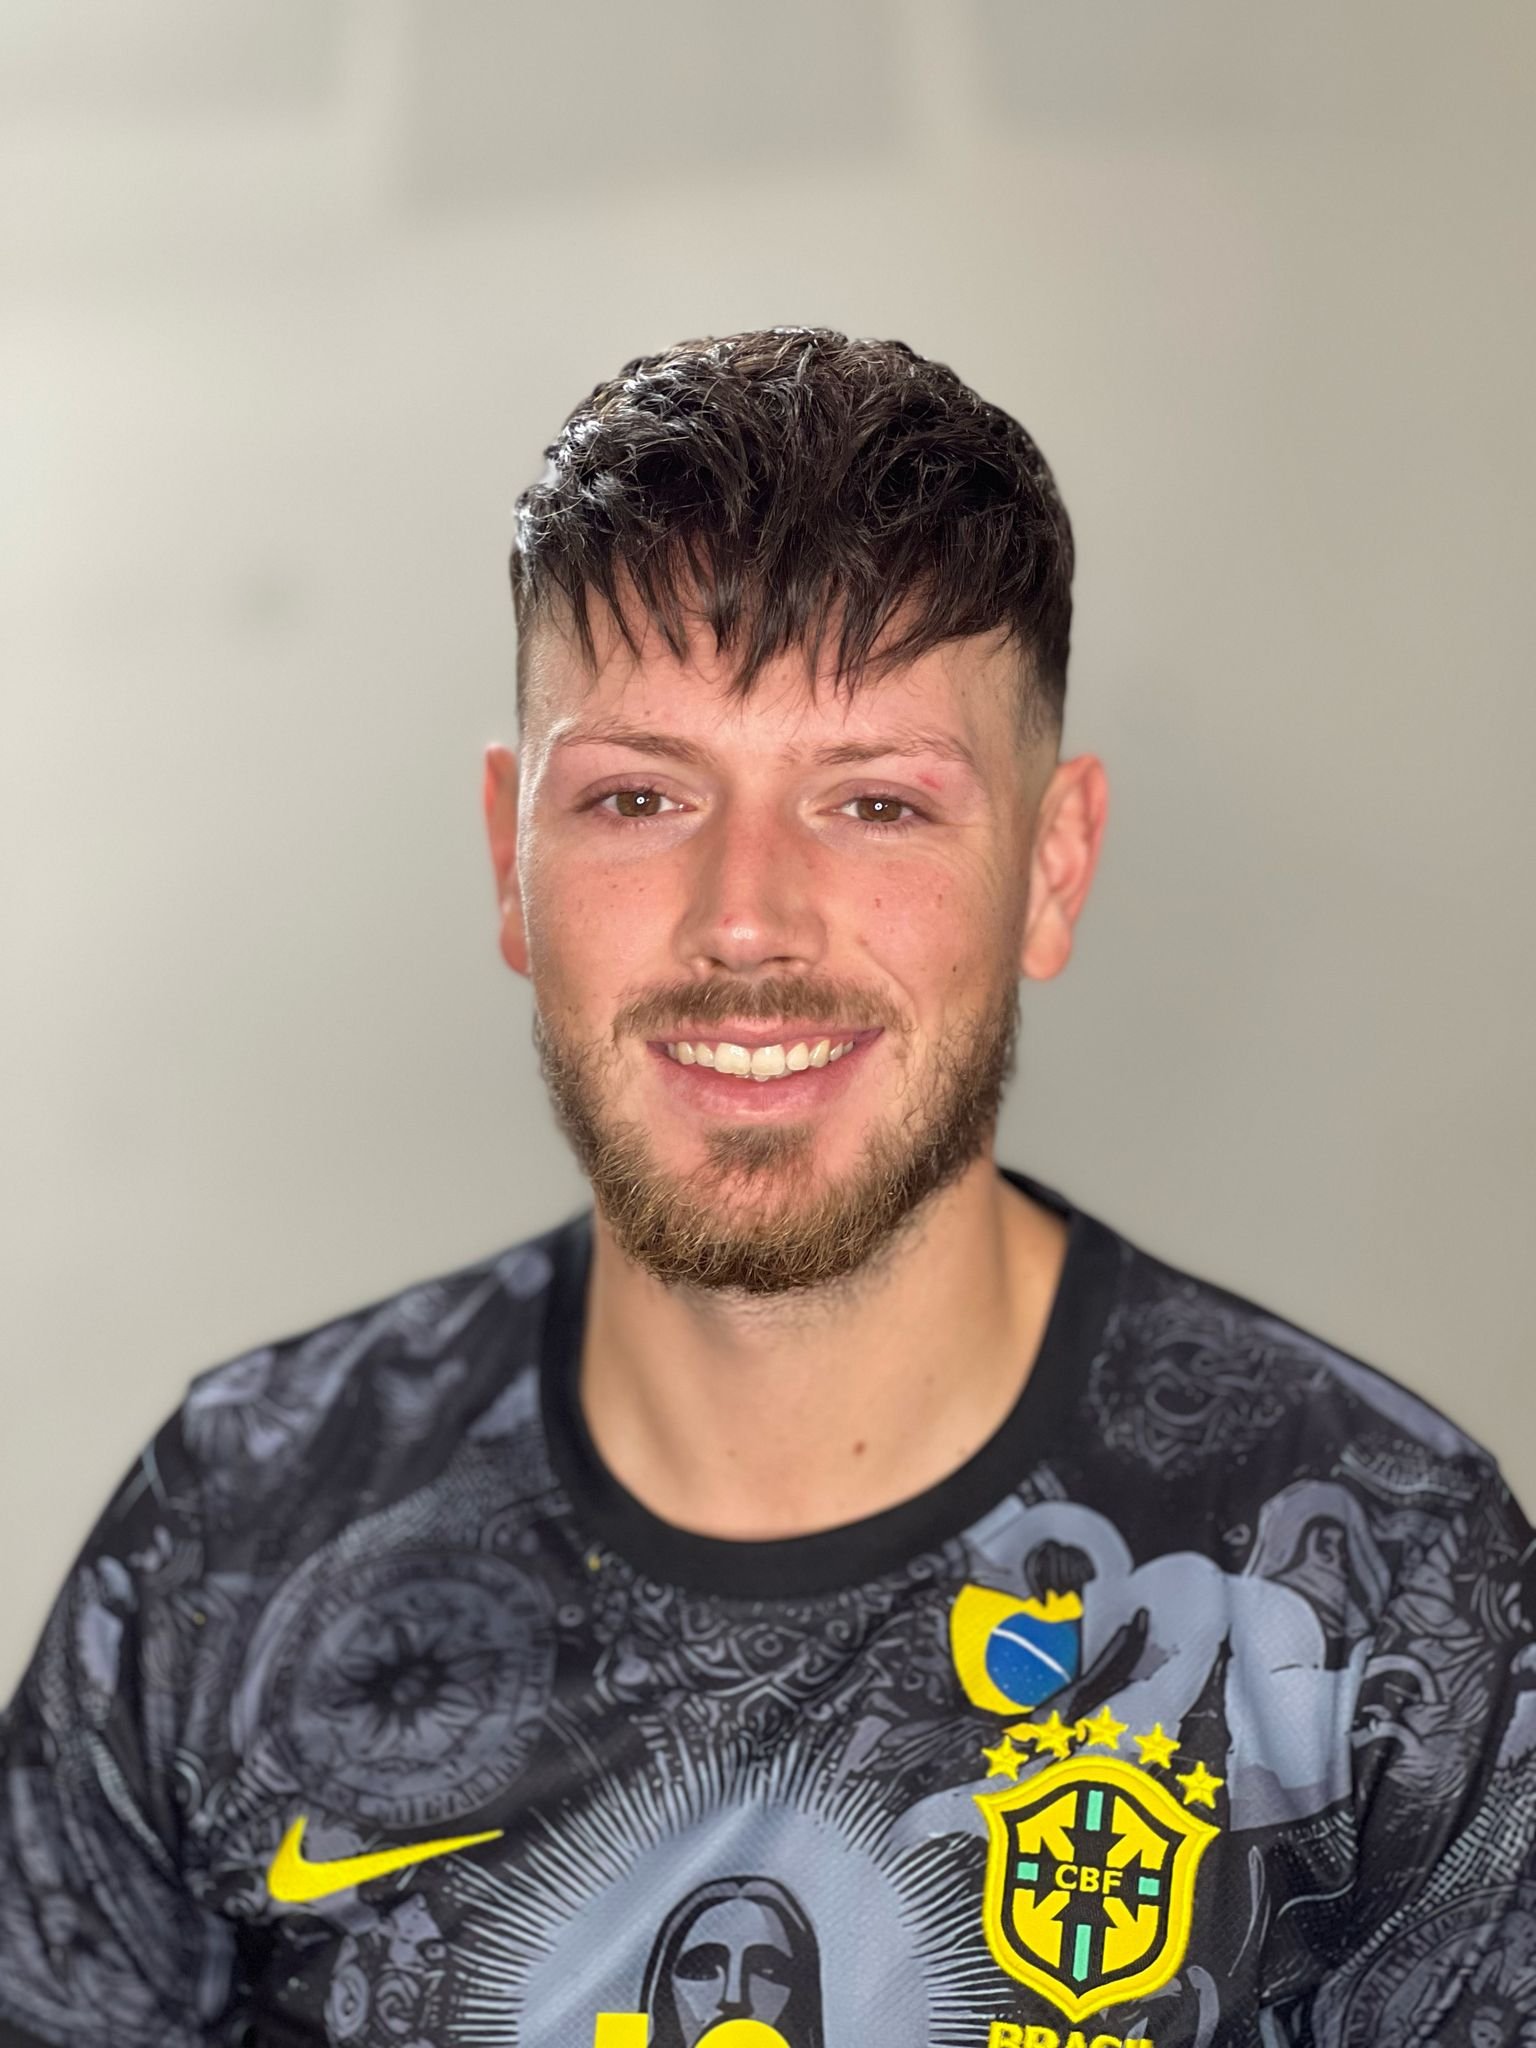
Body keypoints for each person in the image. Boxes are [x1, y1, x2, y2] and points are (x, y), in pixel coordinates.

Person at [0, 326, 1531, 2048]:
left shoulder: (1384, 1596)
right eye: (640, 796)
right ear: (511, 856)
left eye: (874, 804)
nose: (745, 919)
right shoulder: (228, 1545)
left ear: (1054, 865)